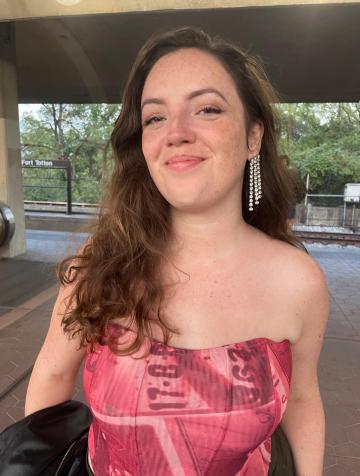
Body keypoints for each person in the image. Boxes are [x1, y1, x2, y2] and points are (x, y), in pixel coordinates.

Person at [25, 27, 329, 475]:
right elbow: (51, 379)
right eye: (155, 118)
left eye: (207, 109)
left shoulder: (298, 281)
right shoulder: (100, 262)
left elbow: (302, 399)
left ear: (252, 137)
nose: (177, 133)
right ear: (142, 143)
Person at [280, 155, 306, 228]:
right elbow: (300, 186)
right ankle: (286, 233)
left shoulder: (278, 172)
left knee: (285, 219)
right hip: (290, 200)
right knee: (289, 219)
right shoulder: (293, 171)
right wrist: (297, 198)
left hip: (285, 200)